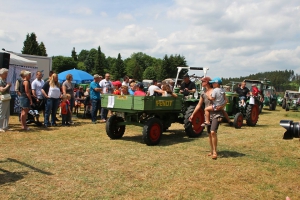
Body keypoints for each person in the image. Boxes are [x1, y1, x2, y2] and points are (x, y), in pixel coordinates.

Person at [189, 77, 226, 159]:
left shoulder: (216, 91)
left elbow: (224, 100)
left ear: (208, 82)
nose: (201, 82)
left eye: (203, 81)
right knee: (209, 134)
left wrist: (221, 107)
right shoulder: (203, 93)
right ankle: (212, 150)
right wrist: (192, 114)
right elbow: (199, 104)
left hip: (216, 114)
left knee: (213, 132)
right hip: (207, 116)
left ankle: (215, 152)